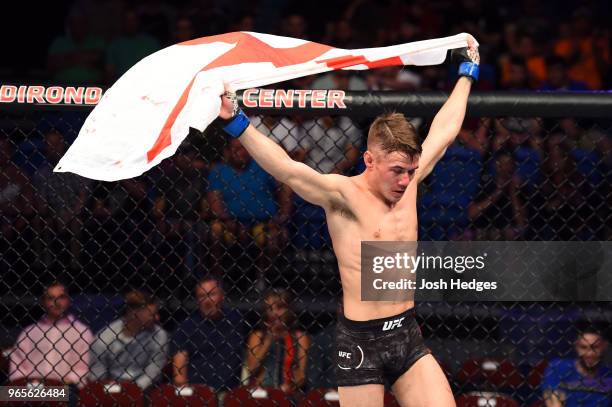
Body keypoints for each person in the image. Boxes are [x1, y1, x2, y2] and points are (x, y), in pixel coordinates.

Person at [216, 36, 481, 406]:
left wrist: (467, 73)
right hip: (361, 342)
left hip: (406, 332)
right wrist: (238, 125)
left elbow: (444, 130)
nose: (405, 181)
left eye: (411, 171)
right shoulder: (342, 195)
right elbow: (289, 170)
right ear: (370, 161)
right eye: (397, 172)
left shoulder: (412, 180)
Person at [9, 281, 93, 387]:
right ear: (43, 302)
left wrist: (63, 383)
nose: (57, 302)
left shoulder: (82, 332)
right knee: (5, 395)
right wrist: (25, 383)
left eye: (61, 297)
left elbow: (83, 369)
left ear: (68, 300)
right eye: (51, 298)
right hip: (32, 389)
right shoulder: (29, 332)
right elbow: (17, 368)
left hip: (67, 388)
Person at [171, 276, 246, 391]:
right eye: (202, 296)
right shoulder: (186, 327)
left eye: (212, 294)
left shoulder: (237, 321)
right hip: (197, 392)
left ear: (222, 296)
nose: (207, 300)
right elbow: (179, 373)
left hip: (230, 393)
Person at [89, 290, 168, 390]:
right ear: (134, 313)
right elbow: (97, 374)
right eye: (152, 315)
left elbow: (153, 371)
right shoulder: (104, 338)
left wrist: (133, 389)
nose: (157, 317)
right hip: (110, 388)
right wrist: (113, 388)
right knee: (67, 395)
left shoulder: (159, 335)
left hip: (147, 389)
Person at [245, 289, 310, 394]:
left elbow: (302, 376)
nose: (274, 313)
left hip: (289, 393)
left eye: (280, 307)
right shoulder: (258, 336)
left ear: (289, 309)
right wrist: (268, 339)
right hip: (261, 392)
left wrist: (288, 388)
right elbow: (252, 367)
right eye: (270, 308)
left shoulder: (300, 337)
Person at [542, 327, 610, 407]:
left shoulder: (609, 374)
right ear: (576, 347)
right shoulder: (558, 368)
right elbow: (554, 403)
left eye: (595, 347)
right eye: (584, 347)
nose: (590, 353)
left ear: (605, 346)